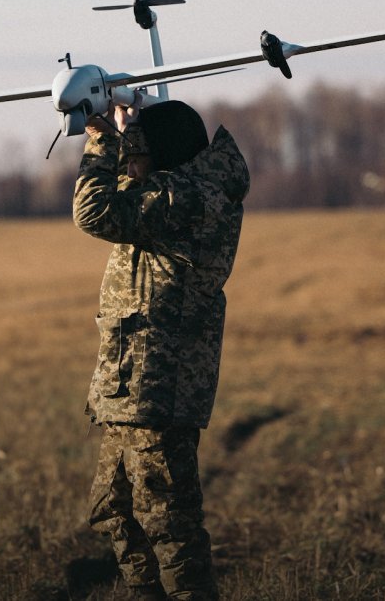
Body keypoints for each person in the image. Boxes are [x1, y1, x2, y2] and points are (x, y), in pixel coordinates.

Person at [73, 99, 249, 600]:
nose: (130, 166)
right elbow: (128, 196)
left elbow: (94, 211)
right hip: (132, 386)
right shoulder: (172, 191)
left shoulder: (189, 197)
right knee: (114, 511)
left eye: (139, 156)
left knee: (170, 528)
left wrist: (103, 137)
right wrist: (130, 131)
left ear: (165, 157)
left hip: (159, 388)